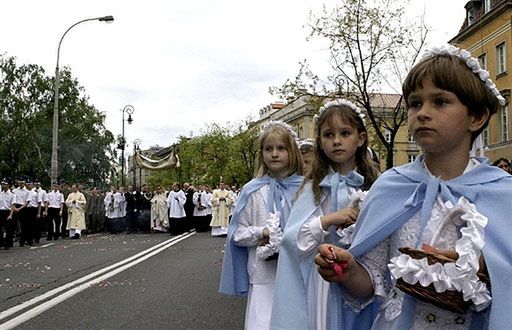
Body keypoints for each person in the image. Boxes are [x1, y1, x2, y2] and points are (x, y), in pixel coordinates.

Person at [314, 45, 512, 329]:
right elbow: (371, 280)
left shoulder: (503, 193)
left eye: (440, 102)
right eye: (415, 103)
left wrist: (482, 269)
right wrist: (347, 271)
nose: (422, 113)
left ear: (476, 117)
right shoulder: (391, 186)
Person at [271, 100, 380, 330]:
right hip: (324, 281)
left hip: (365, 276)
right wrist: (330, 219)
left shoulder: (377, 186)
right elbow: (293, 239)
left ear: (360, 138)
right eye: (329, 135)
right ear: (320, 141)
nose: (337, 141)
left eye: (345, 133)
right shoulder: (314, 187)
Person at [220, 120, 304, 330]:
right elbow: (237, 233)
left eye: (281, 148)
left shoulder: (304, 188)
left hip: (297, 268)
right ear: (262, 154)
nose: (274, 154)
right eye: (269, 149)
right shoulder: (252, 191)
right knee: (263, 321)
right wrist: (261, 232)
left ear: (292, 152)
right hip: (263, 272)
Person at [0, 178, 15, 249]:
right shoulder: (0, 194)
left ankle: (8, 244)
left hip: (8, 212)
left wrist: (11, 215)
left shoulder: (12, 195)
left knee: (8, 229)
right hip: (1, 212)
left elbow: (12, 205)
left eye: (5, 184)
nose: (3, 185)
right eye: (2, 184)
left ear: (8, 185)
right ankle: (1, 243)